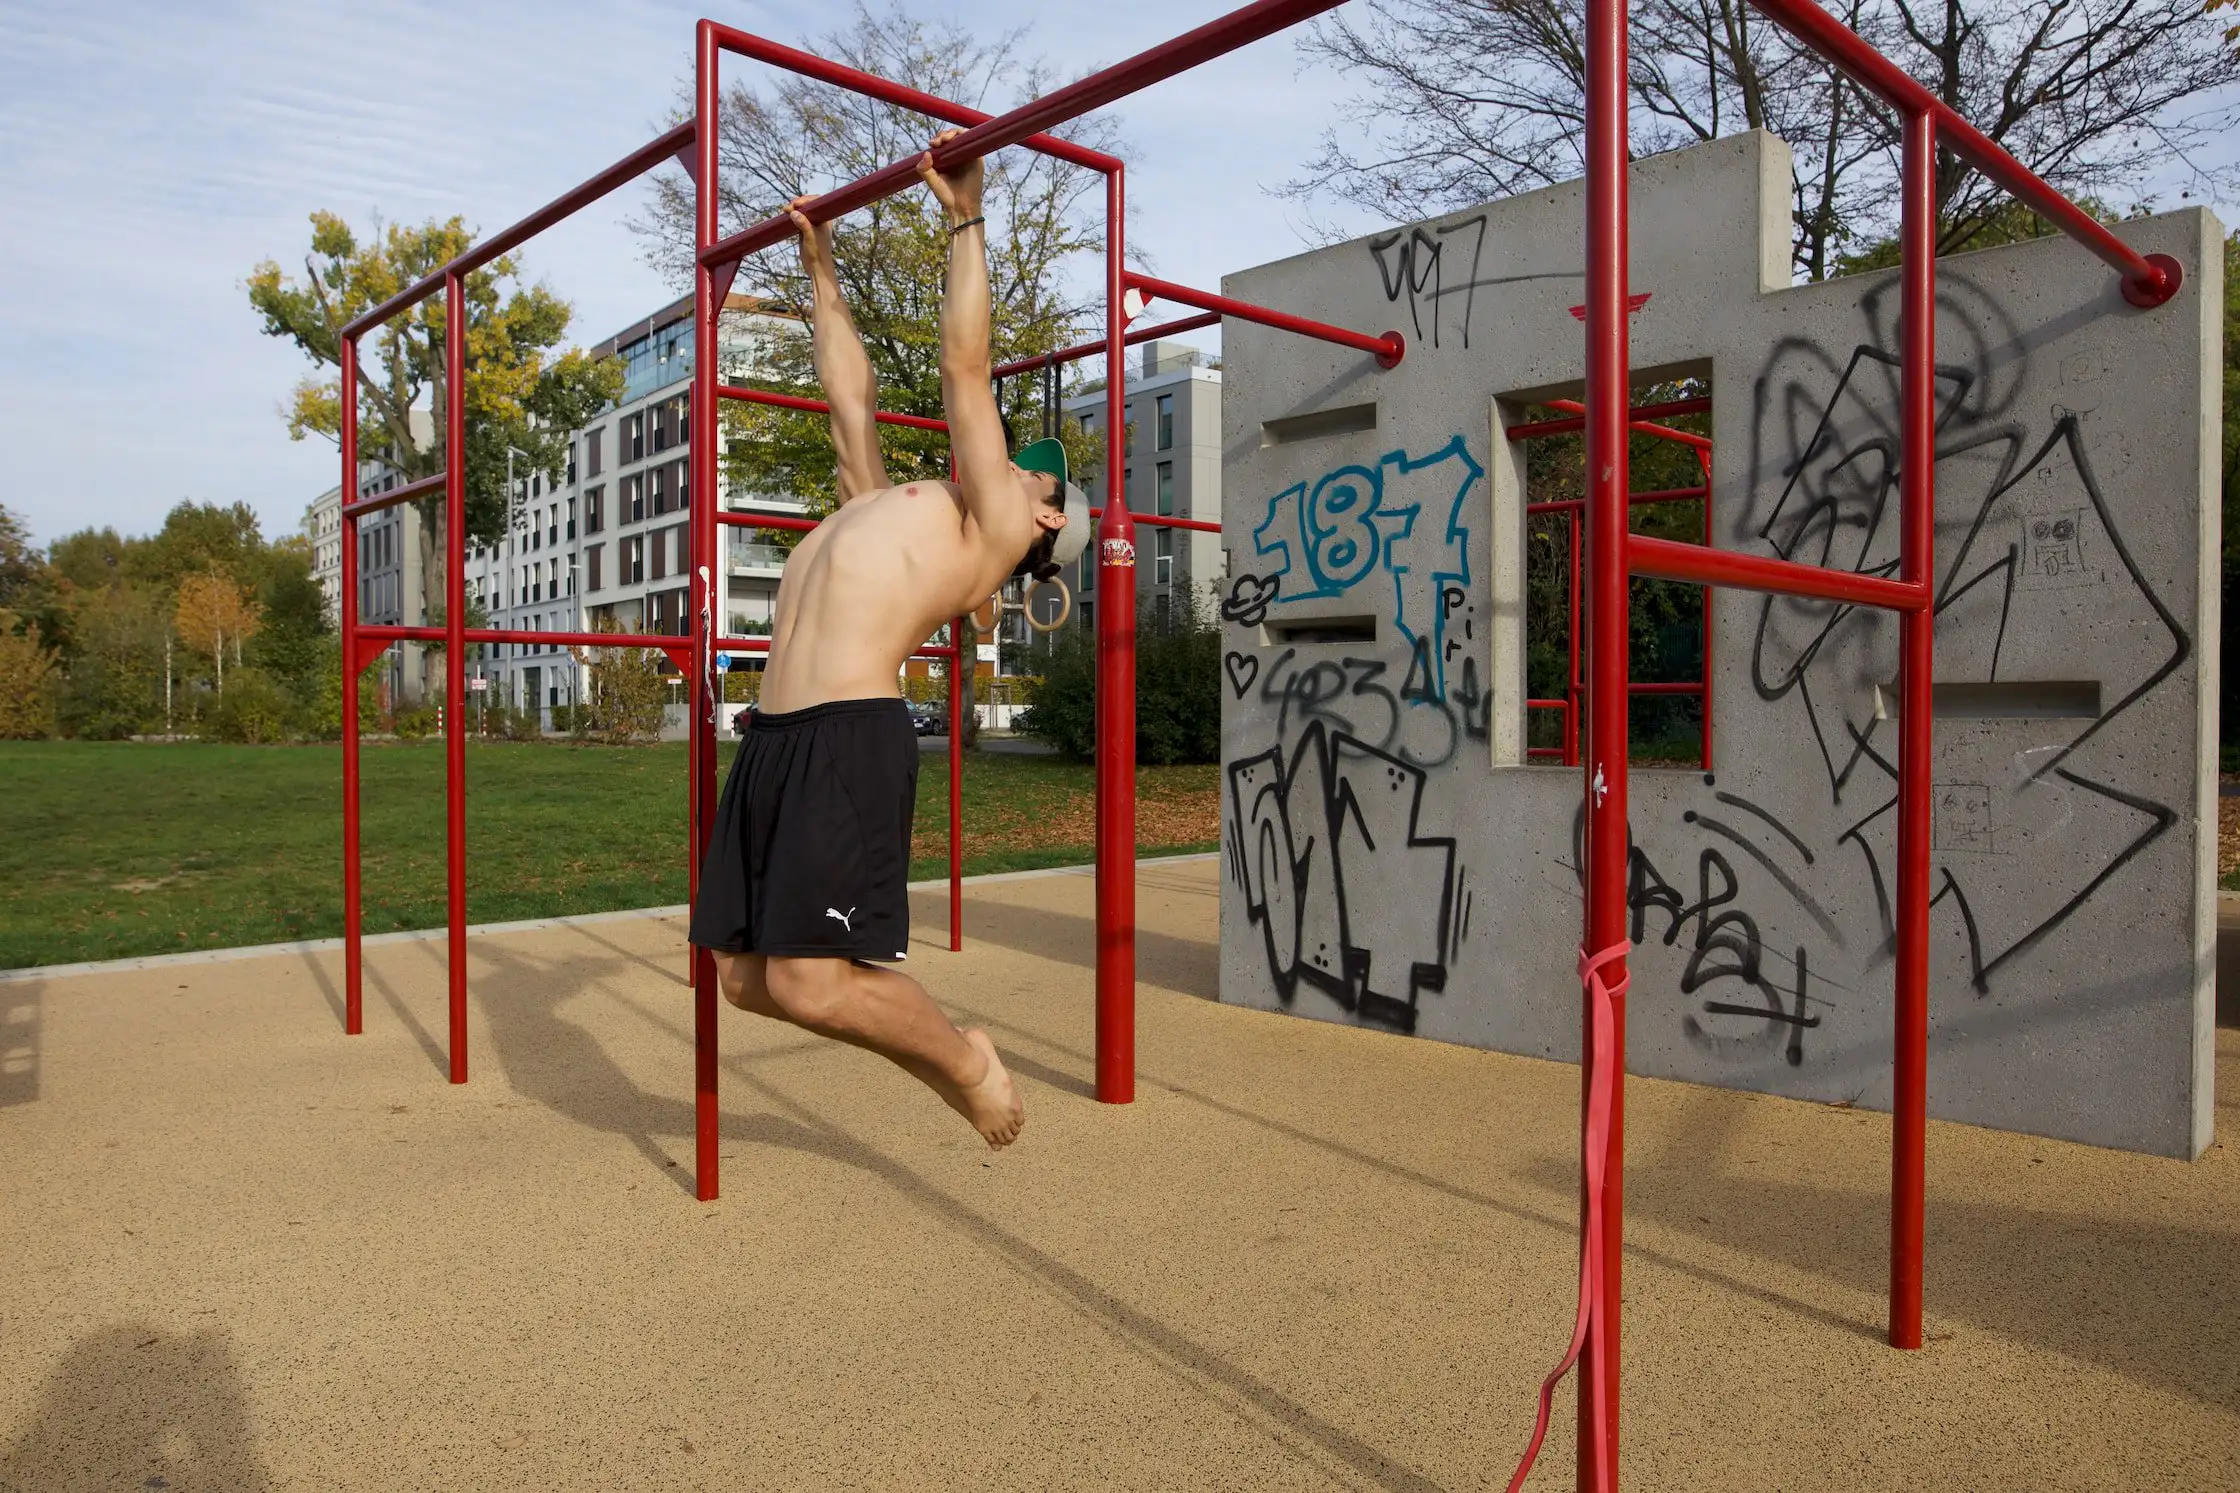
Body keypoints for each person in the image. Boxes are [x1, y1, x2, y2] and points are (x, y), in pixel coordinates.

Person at [688, 130, 1091, 1150]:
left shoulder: (994, 525)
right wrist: (819, 268)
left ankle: (966, 1063)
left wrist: (965, 217)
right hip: (775, 740)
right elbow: (849, 399)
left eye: (1037, 470)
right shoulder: (888, 504)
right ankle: (946, 1052)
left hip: (845, 736)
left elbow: (965, 366)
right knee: (745, 979)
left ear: (1046, 519)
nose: (1019, 463)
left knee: (811, 984)